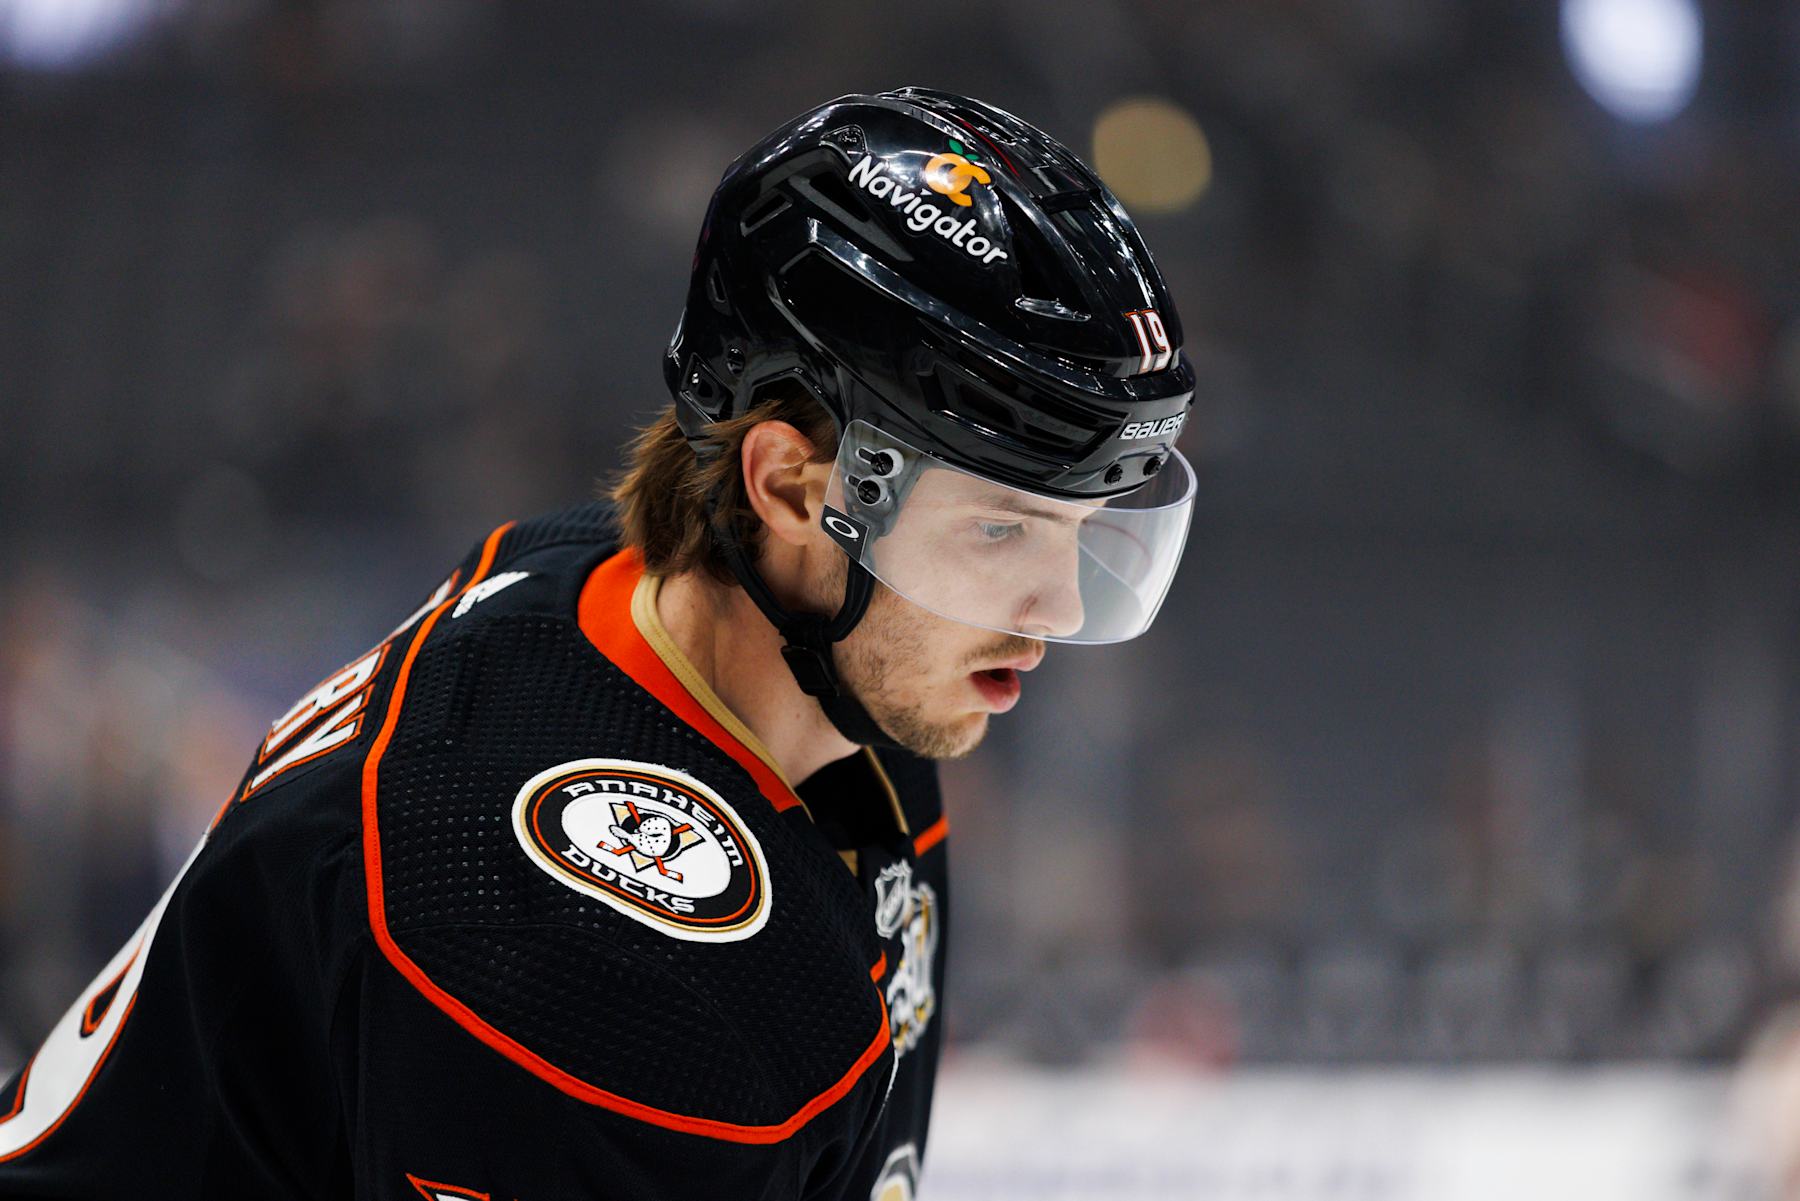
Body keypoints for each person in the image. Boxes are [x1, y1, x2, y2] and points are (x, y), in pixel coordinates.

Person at [0, 87, 1196, 1200]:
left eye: (1081, 533)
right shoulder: (580, 956)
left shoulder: (764, 648)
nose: (1060, 610)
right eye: (1001, 528)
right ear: (787, 486)